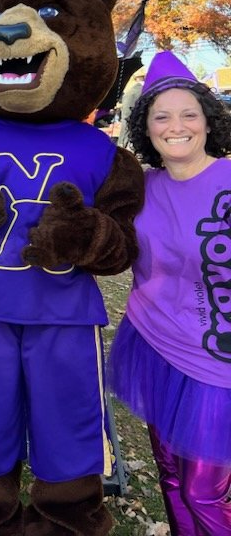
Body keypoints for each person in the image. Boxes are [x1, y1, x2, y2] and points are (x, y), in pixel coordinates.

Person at [107, 51, 231, 534]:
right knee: (172, 477)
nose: (175, 126)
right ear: (147, 127)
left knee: (205, 491)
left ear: (206, 122)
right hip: (154, 345)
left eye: (188, 115)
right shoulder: (139, 187)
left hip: (217, 361)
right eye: (162, 116)